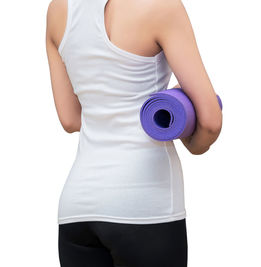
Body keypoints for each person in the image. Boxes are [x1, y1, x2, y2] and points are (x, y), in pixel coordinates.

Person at [45, 0, 223, 266]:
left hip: (77, 210)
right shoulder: (161, 6)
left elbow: (70, 119)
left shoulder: (57, 10)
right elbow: (210, 122)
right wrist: (193, 141)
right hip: (144, 207)